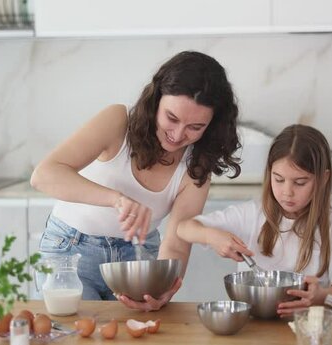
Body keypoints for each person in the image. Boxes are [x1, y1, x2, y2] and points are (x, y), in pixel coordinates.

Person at [30, 51, 241, 311]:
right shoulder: (118, 121)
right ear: (156, 101)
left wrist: (164, 289)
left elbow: (176, 241)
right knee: (78, 344)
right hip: (70, 253)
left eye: (195, 127)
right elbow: (44, 175)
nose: (177, 135)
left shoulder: (196, 166)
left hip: (137, 261)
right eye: (171, 118)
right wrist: (116, 199)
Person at [177, 124, 332, 317]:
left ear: (323, 179)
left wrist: (322, 295)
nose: (287, 192)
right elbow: (184, 228)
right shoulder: (252, 214)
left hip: (307, 327)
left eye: (300, 182)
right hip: (252, 328)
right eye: (278, 179)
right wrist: (211, 236)